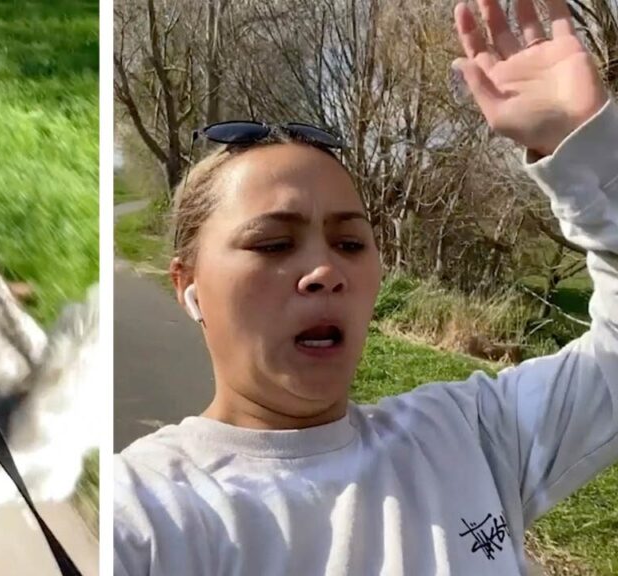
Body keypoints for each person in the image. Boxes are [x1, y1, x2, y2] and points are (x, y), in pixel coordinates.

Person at [113, 0, 618, 574]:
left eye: (350, 243)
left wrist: (587, 154)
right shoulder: (147, 514)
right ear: (188, 286)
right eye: (273, 244)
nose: (325, 271)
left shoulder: (471, 436)